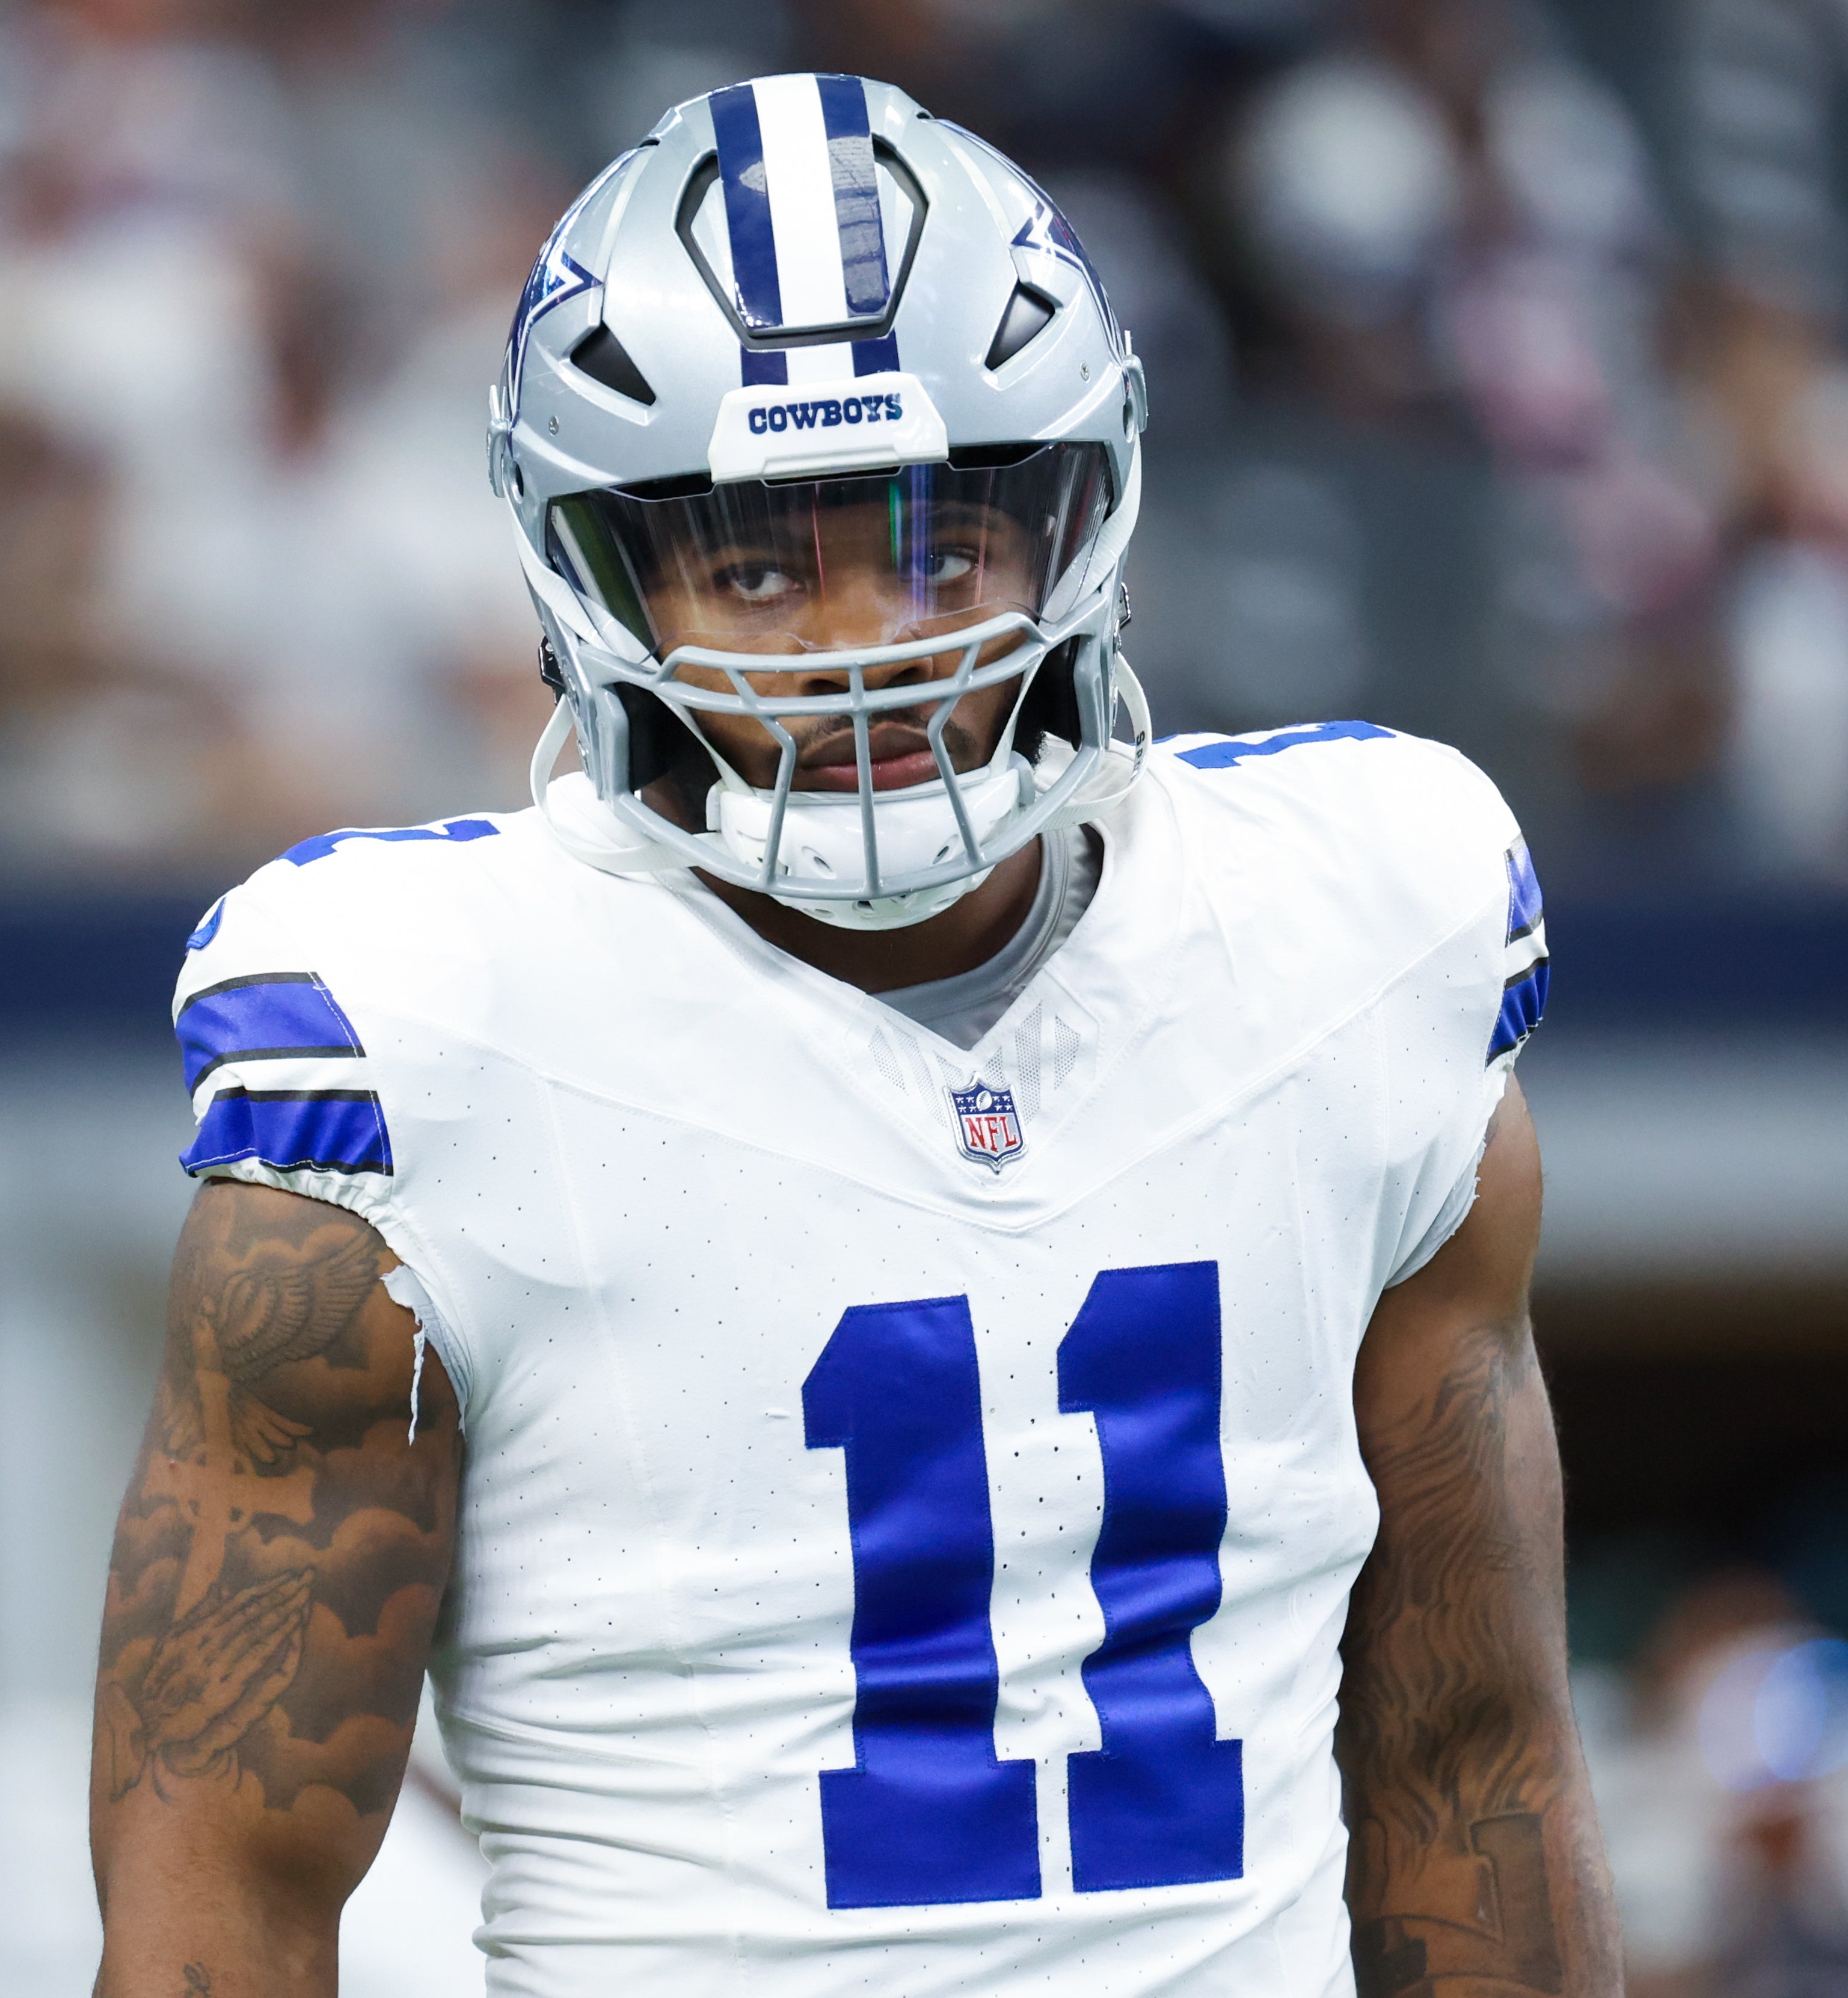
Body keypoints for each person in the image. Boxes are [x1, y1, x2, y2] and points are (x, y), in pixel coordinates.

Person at [90, 72, 1618, 1998]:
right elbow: (219, 1907)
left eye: (935, 540)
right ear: (590, 570)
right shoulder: (419, 1041)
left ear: (1083, 511)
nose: (861, 639)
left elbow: (1467, 1761)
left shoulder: (1348, 935)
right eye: (751, 563)